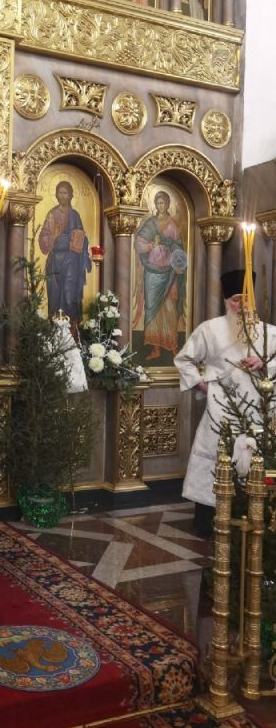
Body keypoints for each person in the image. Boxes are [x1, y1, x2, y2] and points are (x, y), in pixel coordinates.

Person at [174, 269, 276, 534]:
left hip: (259, 410)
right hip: (221, 409)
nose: (241, 305)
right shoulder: (210, 329)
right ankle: (206, 521)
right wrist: (203, 386)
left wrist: (264, 363)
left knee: (256, 461)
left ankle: (256, 519)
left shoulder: (270, 333)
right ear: (226, 302)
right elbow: (184, 359)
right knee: (215, 458)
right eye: (235, 299)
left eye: (246, 299)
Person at [135, 191, 187, 360]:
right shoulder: (150, 224)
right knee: (153, 309)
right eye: (158, 203)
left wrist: (178, 264)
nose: (160, 206)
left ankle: (172, 346)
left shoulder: (173, 224)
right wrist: (151, 244)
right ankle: (155, 348)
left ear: (168, 204)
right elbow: (138, 244)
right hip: (152, 271)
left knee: (169, 307)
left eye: (163, 203)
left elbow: (179, 247)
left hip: (169, 273)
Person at [39, 180, 92, 324]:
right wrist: (56, 238)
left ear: (70, 195)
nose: (63, 196)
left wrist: (79, 240)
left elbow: (83, 237)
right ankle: (54, 329)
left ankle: (73, 330)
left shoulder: (75, 215)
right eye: (60, 193)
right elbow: (43, 238)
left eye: (65, 193)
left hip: (72, 262)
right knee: (55, 297)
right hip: (55, 262)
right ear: (56, 195)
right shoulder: (52, 214)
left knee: (70, 296)